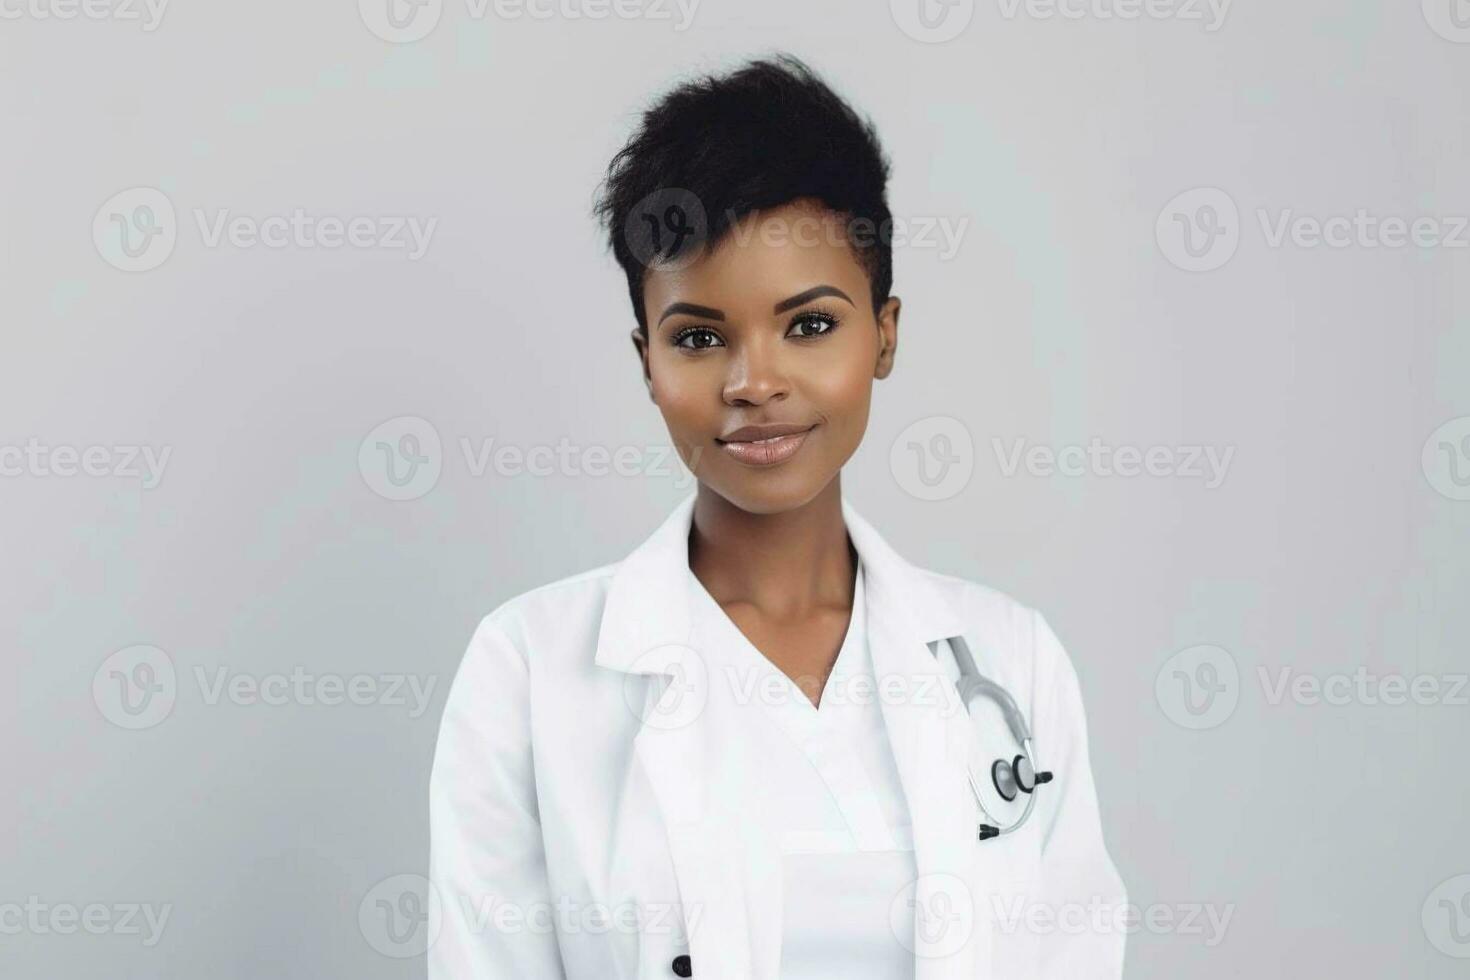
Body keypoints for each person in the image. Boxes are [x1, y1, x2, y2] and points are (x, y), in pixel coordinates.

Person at [429, 53, 1126, 980]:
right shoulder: (526, 672)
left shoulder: (1013, 662)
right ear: (647, 363)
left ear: (885, 333)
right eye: (700, 339)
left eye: (809, 325)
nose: (755, 383)